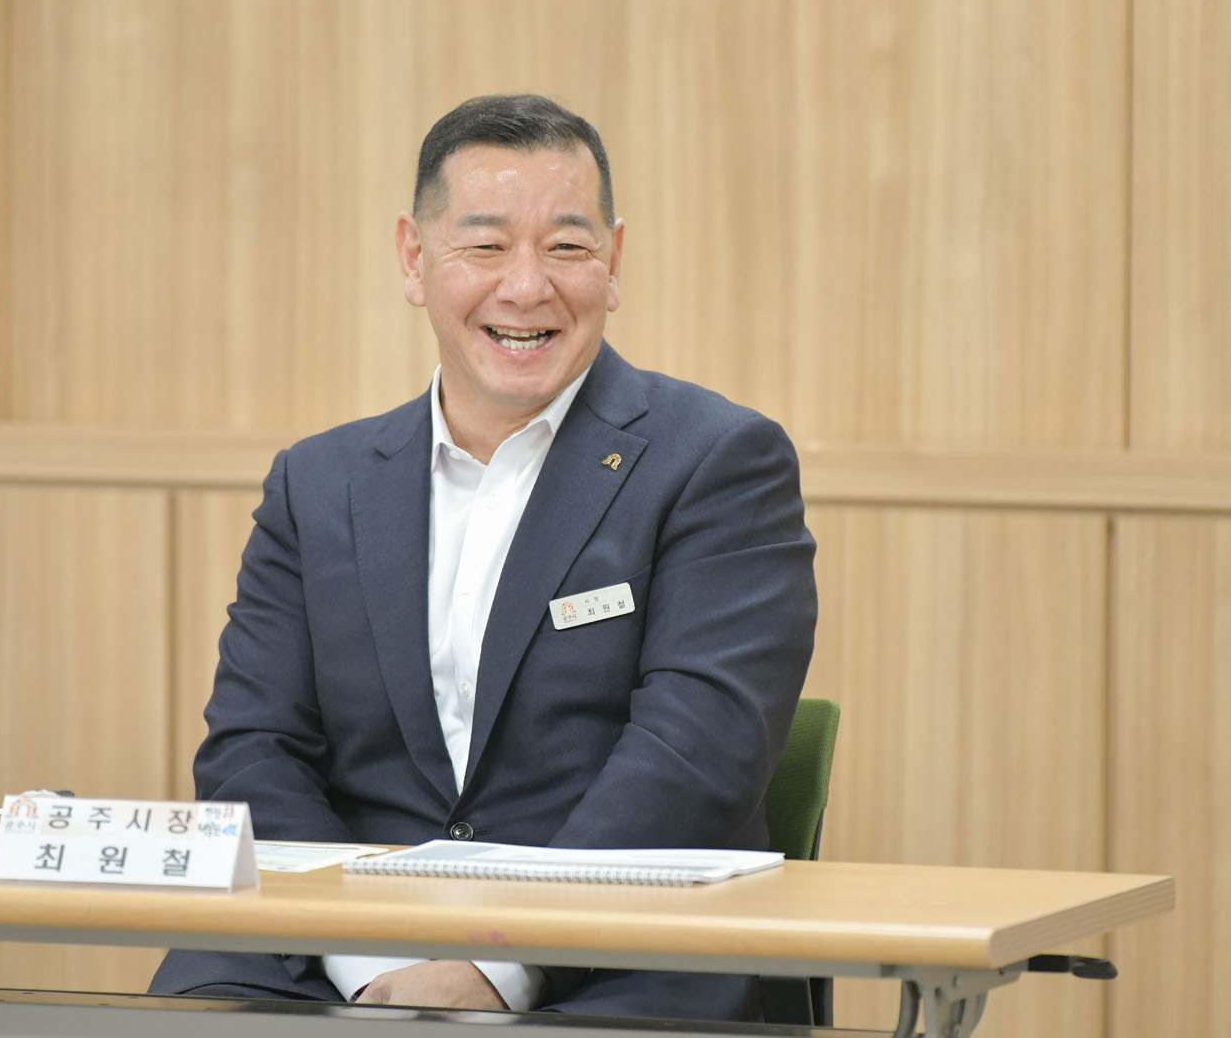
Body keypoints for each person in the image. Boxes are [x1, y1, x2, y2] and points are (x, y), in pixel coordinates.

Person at [149, 94, 817, 1022]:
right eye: (486, 245)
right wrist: (369, 960)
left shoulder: (718, 461)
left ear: (614, 262)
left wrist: (499, 963)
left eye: (567, 247)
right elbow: (253, 750)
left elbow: (696, 757)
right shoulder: (318, 483)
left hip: (618, 952)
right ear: (414, 259)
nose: (527, 287)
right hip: (331, 949)